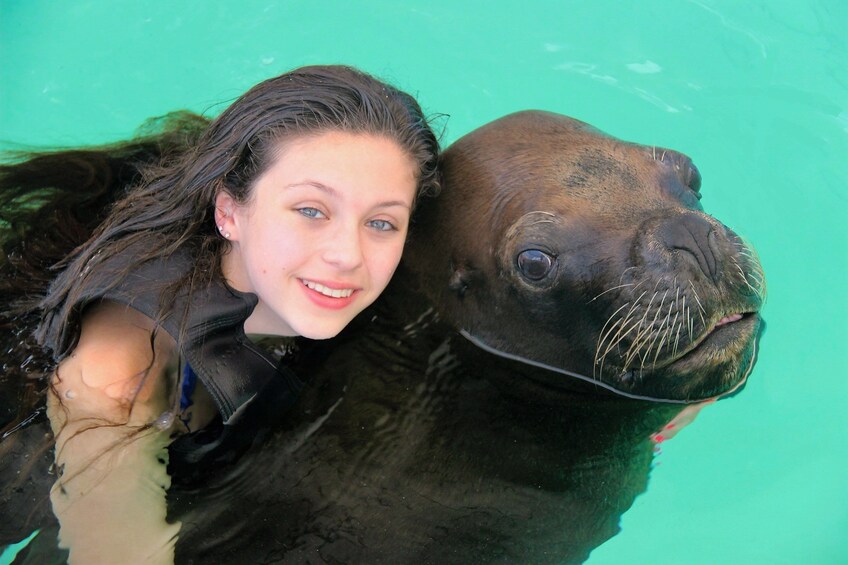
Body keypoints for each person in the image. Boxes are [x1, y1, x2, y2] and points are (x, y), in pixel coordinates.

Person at [1, 64, 440, 564]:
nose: (348, 255)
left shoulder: (314, 276)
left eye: (382, 222)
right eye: (311, 211)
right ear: (229, 211)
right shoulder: (121, 375)